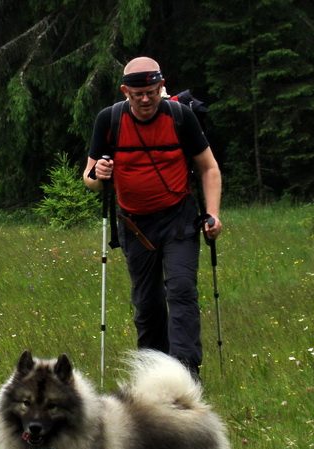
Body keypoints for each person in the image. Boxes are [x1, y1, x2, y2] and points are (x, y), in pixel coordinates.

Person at [83, 57, 222, 377]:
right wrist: (99, 173)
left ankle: (187, 372)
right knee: (147, 306)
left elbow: (209, 167)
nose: (145, 99)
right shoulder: (109, 120)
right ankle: (154, 374)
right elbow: (89, 179)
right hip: (135, 225)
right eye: (137, 93)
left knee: (182, 291)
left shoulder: (180, 116)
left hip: (179, 220)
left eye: (151, 91)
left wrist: (212, 214)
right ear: (124, 91)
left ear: (161, 86)